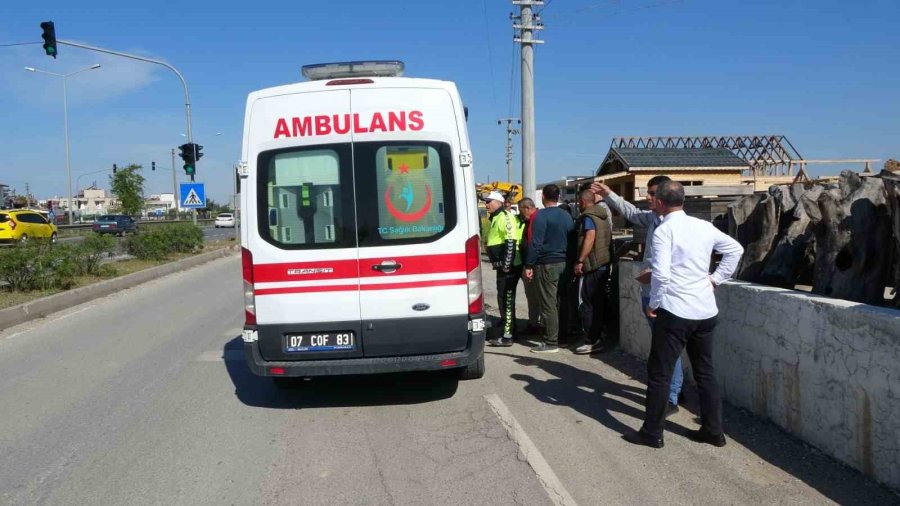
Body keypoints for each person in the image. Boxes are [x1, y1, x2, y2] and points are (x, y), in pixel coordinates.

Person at [621, 181, 744, 448]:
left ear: (661, 203)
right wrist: (715, 279)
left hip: (675, 311)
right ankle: (714, 431)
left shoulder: (665, 230)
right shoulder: (703, 226)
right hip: (705, 310)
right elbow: (736, 249)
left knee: (660, 373)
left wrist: (653, 303)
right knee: (705, 372)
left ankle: (652, 433)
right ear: (683, 200)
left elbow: (662, 274)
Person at [592, 176, 684, 416]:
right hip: (650, 294)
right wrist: (610, 193)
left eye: (653, 194)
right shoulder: (654, 219)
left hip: (662, 297)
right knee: (664, 348)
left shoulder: (677, 226)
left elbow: (678, 262)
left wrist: (652, 275)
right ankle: (673, 390)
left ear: (665, 196)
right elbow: (631, 213)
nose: (648, 197)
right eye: (648, 192)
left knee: (665, 350)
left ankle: (671, 398)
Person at [523, 185, 574, 353]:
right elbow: (573, 241)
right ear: (558, 196)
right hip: (565, 263)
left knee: (548, 304)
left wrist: (529, 264)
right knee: (563, 301)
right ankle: (563, 338)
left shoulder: (541, 216)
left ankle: (551, 341)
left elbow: (535, 243)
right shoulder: (567, 215)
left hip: (546, 264)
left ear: (543, 196)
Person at [572, 189, 612, 355]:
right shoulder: (602, 215)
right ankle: (597, 337)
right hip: (603, 263)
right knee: (598, 303)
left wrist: (580, 260)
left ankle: (590, 340)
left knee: (588, 303)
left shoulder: (588, 217)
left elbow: (590, 237)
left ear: (582, 202)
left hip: (593, 265)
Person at [483, 191, 523, 347]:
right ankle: (511, 330)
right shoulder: (496, 217)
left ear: (498, 202)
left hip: (509, 267)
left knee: (506, 300)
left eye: (489, 201)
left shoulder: (505, 217)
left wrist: (506, 264)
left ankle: (508, 336)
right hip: (502, 267)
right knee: (503, 299)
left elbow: (511, 241)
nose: (486, 204)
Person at [517, 198, 542, 335]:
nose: (521, 215)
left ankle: (535, 324)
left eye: (521, 212)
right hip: (530, 264)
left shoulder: (535, 220)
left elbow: (534, 244)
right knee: (532, 296)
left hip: (532, 265)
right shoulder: (531, 220)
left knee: (534, 296)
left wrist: (529, 266)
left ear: (527, 208)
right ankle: (534, 322)